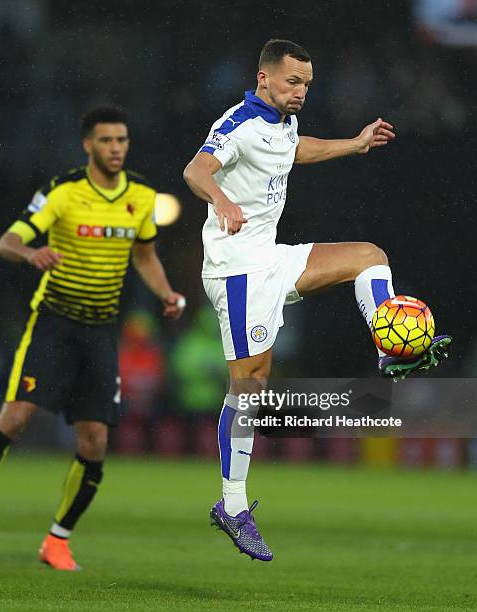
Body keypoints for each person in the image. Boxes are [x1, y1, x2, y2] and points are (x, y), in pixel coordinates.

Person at [183, 39, 451, 562]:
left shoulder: (281, 123)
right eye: (292, 82)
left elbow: (295, 149)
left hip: (270, 256)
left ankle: (391, 347)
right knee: (250, 387)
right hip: (236, 271)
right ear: (263, 78)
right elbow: (196, 170)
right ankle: (232, 505)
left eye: (307, 84)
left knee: (369, 256)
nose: (301, 92)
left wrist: (354, 144)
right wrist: (221, 199)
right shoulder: (237, 122)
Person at [0, 105, 185, 570]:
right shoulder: (62, 191)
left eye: (122, 140)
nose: (116, 149)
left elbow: (144, 256)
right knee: (15, 418)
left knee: (94, 443)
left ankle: (58, 541)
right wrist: (31, 254)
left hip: (101, 331)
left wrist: (166, 293)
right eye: (107, 141)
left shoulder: (143, 195)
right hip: (54, 323)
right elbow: (6, 241)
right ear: (88, 145)